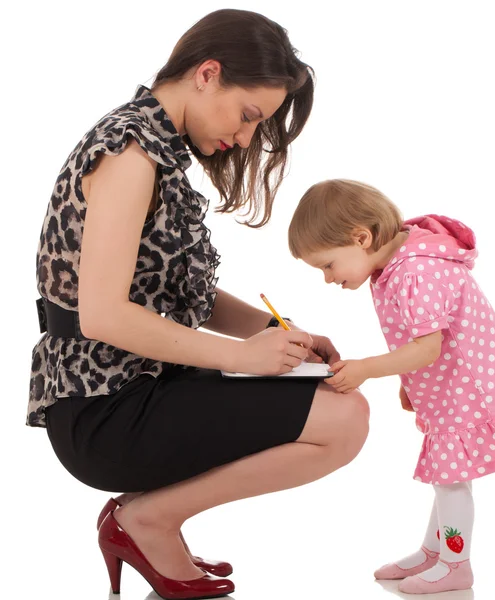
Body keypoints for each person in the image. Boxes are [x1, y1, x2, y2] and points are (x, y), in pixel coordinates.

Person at [28, 11, 370, 600]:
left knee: (344, 406)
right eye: (248, 116)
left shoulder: (156, 149)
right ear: (207, 73)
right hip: (105, 406)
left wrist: (275, 330)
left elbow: (182, 295)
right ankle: (146, 520)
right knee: (342, 420)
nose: (243, 138)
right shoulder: (130, 152)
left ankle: (145, 519)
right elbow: (103, 315)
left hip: (147, 384)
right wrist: (249, 357)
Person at [288, 179, 495, 594]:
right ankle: (435, 552)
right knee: (447, 476)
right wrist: (409, 382)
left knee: (450, 478)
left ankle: (456, 564)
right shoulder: (398, 265)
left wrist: (368, 369)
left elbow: (427, 348)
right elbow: (418, 342)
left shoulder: (416, 271)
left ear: (361, 238)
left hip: (468, 384)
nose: (327, 279)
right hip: (454, 382)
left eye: (327, 265)